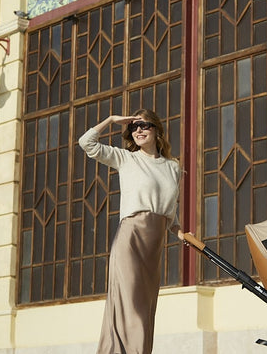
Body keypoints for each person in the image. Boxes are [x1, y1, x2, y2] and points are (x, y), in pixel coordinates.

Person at [79, 109, 185, 354]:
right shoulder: (126, 158)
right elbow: (86, 143)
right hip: (130, 238)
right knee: (131, 306)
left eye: (144, 125)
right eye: (133, 127)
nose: (138, 130)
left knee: (146, 310)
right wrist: (112, 120)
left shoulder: (173, 167)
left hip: (154, 246)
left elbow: (170, 206)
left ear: (157, 130)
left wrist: (177, 230)